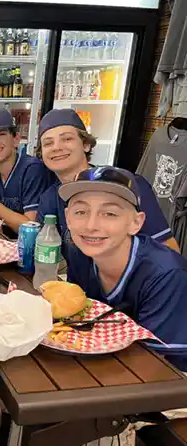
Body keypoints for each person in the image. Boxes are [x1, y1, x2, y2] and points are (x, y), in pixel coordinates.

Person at [61, 167, 187, 446]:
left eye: (110, 213)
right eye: (81, 212)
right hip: (114, 367)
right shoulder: (79, 251)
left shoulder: (165, 274)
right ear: (68, 217)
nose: (92, 225)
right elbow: (76, 312)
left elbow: (158, 369)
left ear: (136, 223)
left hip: (172, 381)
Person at [35, 108, 180, 258]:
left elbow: (169, 252)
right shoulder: (50, 198)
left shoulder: (127, 186)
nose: (57, 147)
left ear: (86, 145)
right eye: (48, 143)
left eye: (67, 139)